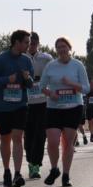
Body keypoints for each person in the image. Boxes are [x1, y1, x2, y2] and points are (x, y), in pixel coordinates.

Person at [0, 30, 35, 187]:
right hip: (2, 106)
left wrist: (27, 79)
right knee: (5, 139)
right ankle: (7, 170)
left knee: (18, 137)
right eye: (26, 42)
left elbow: (31, 84)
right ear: (17, 42)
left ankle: (18, 173)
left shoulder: (27, 61)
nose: (28, 45)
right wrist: (8, 79)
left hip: (20, 105)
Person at [39, 37, 90, 187]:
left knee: (68, 143)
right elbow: (42, 86)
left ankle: (66, 175)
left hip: (73, 107)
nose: (61, 49)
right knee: (53, 142)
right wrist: (50, 94)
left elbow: (86, 88)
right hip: (54, 107)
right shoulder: (50, 66)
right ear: (56, 50)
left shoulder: (78, 65)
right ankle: (55, 169)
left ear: (69, 48)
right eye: (58, 47)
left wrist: (71, 84)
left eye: (64, 47)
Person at [24, 32, 54, 179]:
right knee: (28, 135)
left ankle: (36, 165)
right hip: (25, 103)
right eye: (28, 44)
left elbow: (53, 76)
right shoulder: (20, 59)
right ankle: (30, 160)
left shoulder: (46, 58)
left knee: (40, 135)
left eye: (34, 44)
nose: (31, 47)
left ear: (38, 44)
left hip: (43, 102)